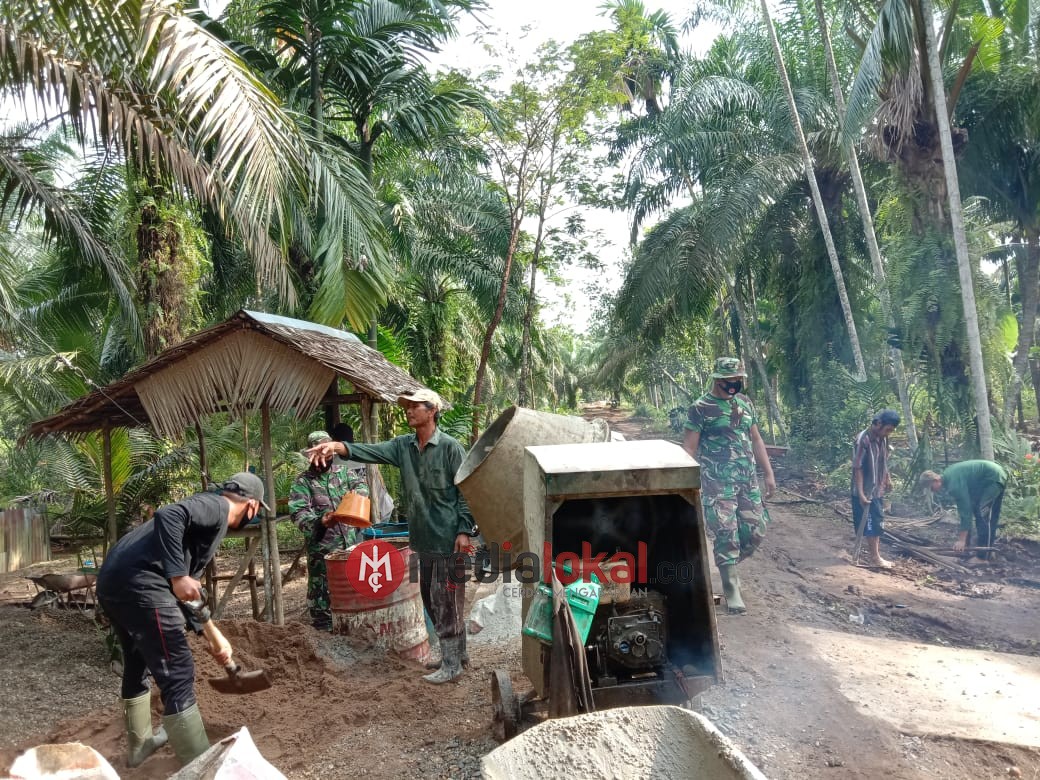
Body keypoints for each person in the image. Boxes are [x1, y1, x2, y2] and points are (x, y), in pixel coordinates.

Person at [95, 473, 267, 768]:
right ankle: (200, 766)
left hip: (113, 583)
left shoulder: (203, 526)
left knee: (137, 662)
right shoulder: (217, 508)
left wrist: (212, 635)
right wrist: (177, 575)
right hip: (142, 586)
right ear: (252, 507)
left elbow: (189, 594)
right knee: (178, 670)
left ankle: (139, 747)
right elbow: (169, 514)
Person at [307, 388, 476, 684]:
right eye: (407, 407)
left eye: (415, 406)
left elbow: (467, 491)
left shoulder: (450, 448)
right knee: (431, 597)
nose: (409, 411)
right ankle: (457, 656)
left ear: (432, 410)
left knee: (447, 599)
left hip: (448, 538)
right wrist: (336, 447)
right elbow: (368, 451)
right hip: (423, 539)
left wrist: (464, 530)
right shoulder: (403, 447)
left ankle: (452, 665)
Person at [682, 357, 776, 615]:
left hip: (747, 481)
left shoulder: (745, 404)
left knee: (755, 530)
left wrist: (768, 474)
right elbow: (689, 449)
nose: (736, 384)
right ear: (718, 380)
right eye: (731, 381)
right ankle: (731, 586)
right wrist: (687, 485)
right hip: (716, 482)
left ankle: (729, 562)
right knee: (726, 532)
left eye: (739, 380)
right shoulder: (701, 408)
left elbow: (756, 440)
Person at [288, 430, 371, 631]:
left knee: (353, 591)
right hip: (322, 552)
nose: (325, 458)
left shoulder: (345, 474)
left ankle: (353, 630)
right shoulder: (303, 482)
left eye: (328, 453)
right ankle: (324, 634)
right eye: (320, 454)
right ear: (311, 455)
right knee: (322, 596)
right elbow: (298, 513)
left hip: (349, 547)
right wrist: (320, 522)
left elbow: (362, 488)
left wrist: (354, 498)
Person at [919, 460, 1007, 563]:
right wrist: (965, 543)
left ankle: (982, 557)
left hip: (992, 479)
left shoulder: (954, 485)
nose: (932, 491)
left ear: (935, 480)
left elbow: (965, 512)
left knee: (983, 516)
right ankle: (983, 551)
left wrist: (961, 540)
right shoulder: (949, 476)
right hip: (992, 477)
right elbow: (968, 508)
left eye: (931, 488)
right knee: (984, 515)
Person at [851, 410, 901, 568]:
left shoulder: (883, 438)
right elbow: (857, 468)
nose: (889, 433)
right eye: (888, 429)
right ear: (878, 424)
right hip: (865, 489)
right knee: (868, 523)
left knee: (877, 521)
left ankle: (873, 556)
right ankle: (875, 557)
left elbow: (882, 460)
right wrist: (860, 493)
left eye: (891, 431)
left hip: (877, 487)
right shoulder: (863, 440)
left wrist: (888, 478)